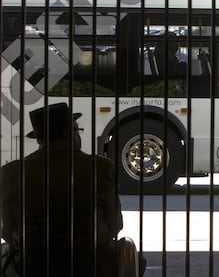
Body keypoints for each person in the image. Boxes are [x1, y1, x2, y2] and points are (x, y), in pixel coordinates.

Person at [0, 103, 125, 276]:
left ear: (39, 139)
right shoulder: (101, 168)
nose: (79, 136)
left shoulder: (11, 172)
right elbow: (115, 225)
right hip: (90, 267)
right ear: (67, 133)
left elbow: (7, 231)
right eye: (77, 130)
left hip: (33, 268)